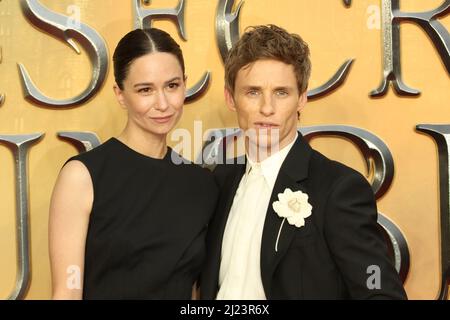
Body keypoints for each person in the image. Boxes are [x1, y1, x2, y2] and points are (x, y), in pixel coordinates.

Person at [200, 25, 407, 299]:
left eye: (281, 92)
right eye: (252, 92)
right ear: (231, 98)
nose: (267, 108)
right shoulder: (218, 183)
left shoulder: (338, 188)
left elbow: (379, 290)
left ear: (302, 98)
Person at [49, 28, 218, 299]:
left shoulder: (202, 184)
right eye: (145, 90)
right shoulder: (83, 177)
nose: (162, 103)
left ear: (185, 85)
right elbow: (67, 292)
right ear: (120, 94)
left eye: (172, 86)